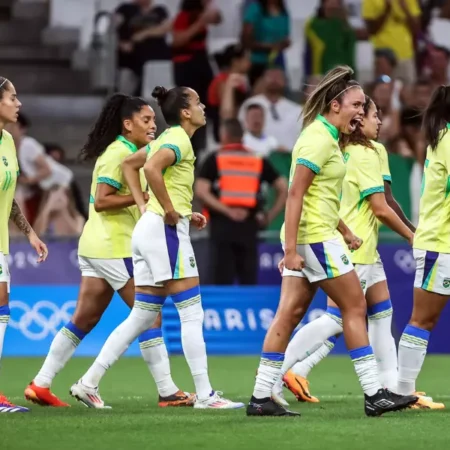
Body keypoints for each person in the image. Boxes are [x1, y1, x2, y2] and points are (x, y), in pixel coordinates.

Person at [246, 66, 418, 417]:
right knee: (354, 309)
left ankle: (261, 395)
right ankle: (374, 394)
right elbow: (295, 193)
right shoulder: (319, 139)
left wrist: (344, 229)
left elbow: (317, 197)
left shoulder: (327, 137)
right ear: (335, 105)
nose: (360, 110)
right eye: (356, 104)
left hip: (320, 235)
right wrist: (292, 249)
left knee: (289, 315)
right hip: (315, 240)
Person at [70, 85, 244, 410]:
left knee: (141, 316)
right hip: (164, 232)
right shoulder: (178, 139)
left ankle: (88, 382)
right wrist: (166, 209)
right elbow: (149, 169)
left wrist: (159, 206)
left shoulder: (166, 139)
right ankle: (205, 395)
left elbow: (130, 166)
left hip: (147, 230)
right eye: (198, 102)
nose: (205, 106)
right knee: (192, 312)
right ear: (186, 112)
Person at [25, 94, 192, 409]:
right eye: (146, 120)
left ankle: (41, 384)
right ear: (127, 125)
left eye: (154, 120)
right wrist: (139, 197)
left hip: (95, 246)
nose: (153, 125)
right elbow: (102, 200)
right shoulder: (118, 154)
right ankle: (167, 391)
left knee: (84, 319)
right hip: (114, 246)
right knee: (150, 315)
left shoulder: (128, 152)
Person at [275, 97, 443, 409]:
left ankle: (395, 388)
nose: (379, 121)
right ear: (359, 119)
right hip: (355, 246)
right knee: (337, 318)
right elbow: (379, 207)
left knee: (381, 314)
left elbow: (387, 200)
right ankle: (279, 372)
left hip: (362, 245)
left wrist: (412, 230)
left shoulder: (358, 150)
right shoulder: (366, 153)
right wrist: (412, 236)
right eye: (374, 115)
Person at [396, 85, 450, 406]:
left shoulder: (439, 139)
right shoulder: (447, 140)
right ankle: (404, 392)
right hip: (440, 244)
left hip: (440, 242)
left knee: (423, 319)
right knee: (423, 319)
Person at [0, 76, 48, 413]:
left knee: (2, 307)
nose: (18, 104)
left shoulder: (7, 141)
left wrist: (29, 232)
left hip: (2, 241)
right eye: (12, 97)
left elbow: (9, 196)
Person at [195, 118, 288, 285]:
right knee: (248, 278)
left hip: (222, 226)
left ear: (223, 135)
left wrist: (227, 210)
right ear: (242, 136)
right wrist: (270, 216)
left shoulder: (215, 158)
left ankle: (223, 311)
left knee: (221, 279)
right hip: (249, 225)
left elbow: (201, 191)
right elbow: (283, 187)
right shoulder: (257, 159)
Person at [242, 0, 291, 86]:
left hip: (277, 63)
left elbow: (285, 36)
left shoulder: (283, 11)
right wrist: (270, 46)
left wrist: (285, 43)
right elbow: (246, 40)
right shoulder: (255, 8)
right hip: (257, 63)